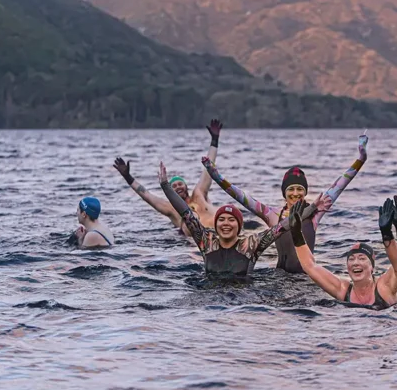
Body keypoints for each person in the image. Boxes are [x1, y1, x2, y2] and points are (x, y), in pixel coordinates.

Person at [201, 131, 368, 273]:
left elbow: (340, 185)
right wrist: (215, 175)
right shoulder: (272, 215)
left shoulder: (315, 212)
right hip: (280, 278)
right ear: (284, 193)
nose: (295, 193)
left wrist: (361, 158)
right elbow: (240, 197)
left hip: (307, 278)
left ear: (305, 192)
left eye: (299, 189)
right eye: (291, 189)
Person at [157, 161, 285, 277]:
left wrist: (301, 214)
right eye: (221, 219)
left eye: (231, 220)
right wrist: (165, 186)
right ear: (216, 224)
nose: (226, 223)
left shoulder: (250, 245)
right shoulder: (207, 243)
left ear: (239, 226)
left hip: (243, 298)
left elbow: (280, 228)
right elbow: (186, 214)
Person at [113, 119, 222, 236]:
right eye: (174, 186)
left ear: (186, 186)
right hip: (198, 242)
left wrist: (214, 141)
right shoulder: (171, 208)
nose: (178, 187)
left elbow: (208, 170)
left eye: (180, 184)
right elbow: (147, 196)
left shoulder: (199, 194)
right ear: (171, 191)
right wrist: (128, 177)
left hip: (221, 232)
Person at [286, 198, 397, 310]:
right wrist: (296, 233)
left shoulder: (384, 287)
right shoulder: (342, 289)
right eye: (351, 259)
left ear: (372, 267)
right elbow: (310, 266)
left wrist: (390, 233)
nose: (355, 263)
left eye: (362, 258)